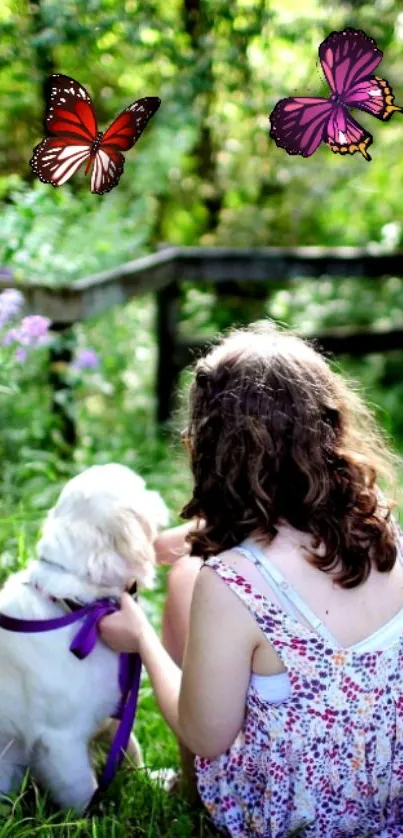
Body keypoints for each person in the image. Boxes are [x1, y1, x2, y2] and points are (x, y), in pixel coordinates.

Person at [100, 322, 403, 837]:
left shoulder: (232, 581)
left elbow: (205, 735)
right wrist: (153, 545)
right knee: (192, 566)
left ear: (214, 445)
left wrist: (142, 639)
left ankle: (191, 792)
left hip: (289, 818)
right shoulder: (381, 528)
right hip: (384, 801)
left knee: (187, 579)